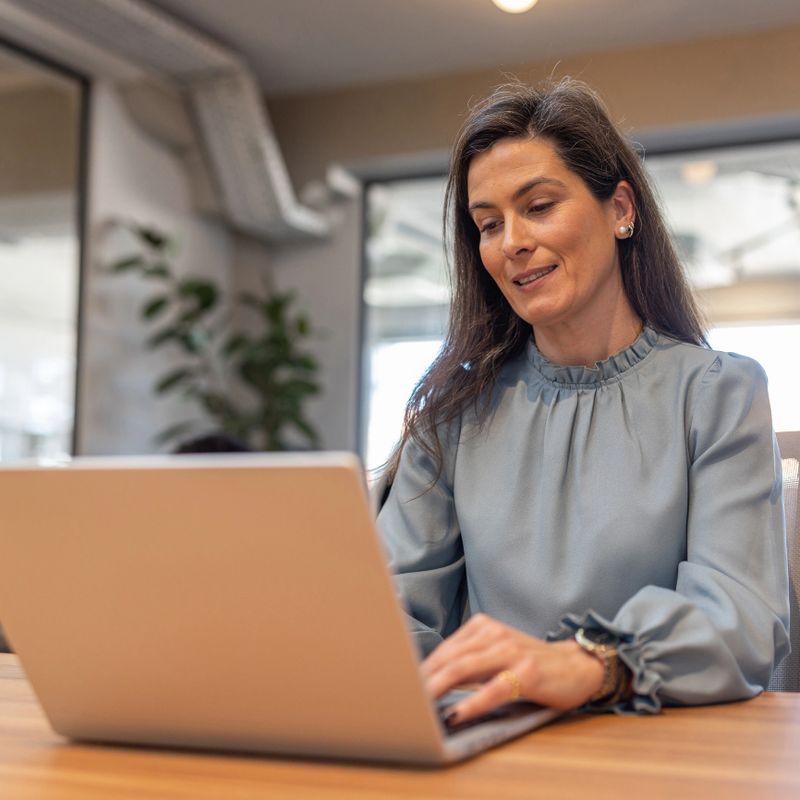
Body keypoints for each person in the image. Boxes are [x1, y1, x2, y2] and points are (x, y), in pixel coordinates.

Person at [376, 78, 790, 727]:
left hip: (656, 752)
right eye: (488, 223)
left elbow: (738, 622)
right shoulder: (452, 415)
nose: (510, 241)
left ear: (621, 209)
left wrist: (590, 664)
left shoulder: (718, 395)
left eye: (537, 206)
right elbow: (391, 616)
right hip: (489, 743)